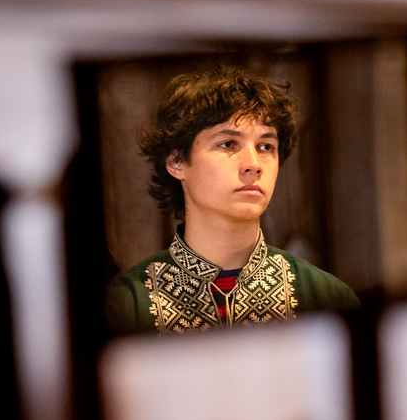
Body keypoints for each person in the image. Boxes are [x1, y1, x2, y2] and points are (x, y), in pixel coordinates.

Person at [105, 66, 359, 334]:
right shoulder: (127, 304)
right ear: (177, 161)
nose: (254, 164)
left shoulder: (327, 297)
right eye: (228, 144)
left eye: (266, 147)